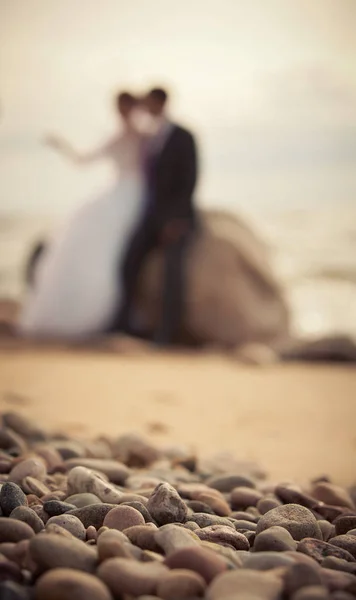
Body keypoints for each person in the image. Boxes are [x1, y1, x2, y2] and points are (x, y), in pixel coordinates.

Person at [18, 91, 148, 338]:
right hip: (124, 194)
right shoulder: (123, 138)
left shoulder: (147, 137)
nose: (122, 113)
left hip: (135, 195)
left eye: (125, 107)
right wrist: (61, 146)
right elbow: (81, 160)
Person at [112, 87, 198, 345]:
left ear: (162, 103)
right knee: (128, 261)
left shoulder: (183, 135)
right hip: (150, 217)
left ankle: (168, 332)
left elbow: (190, 178)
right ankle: (125, 323)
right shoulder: (150, 137)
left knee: (173, 271)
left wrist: (177, 219)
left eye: (150, 103)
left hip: (176, 218)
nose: (147, 108)